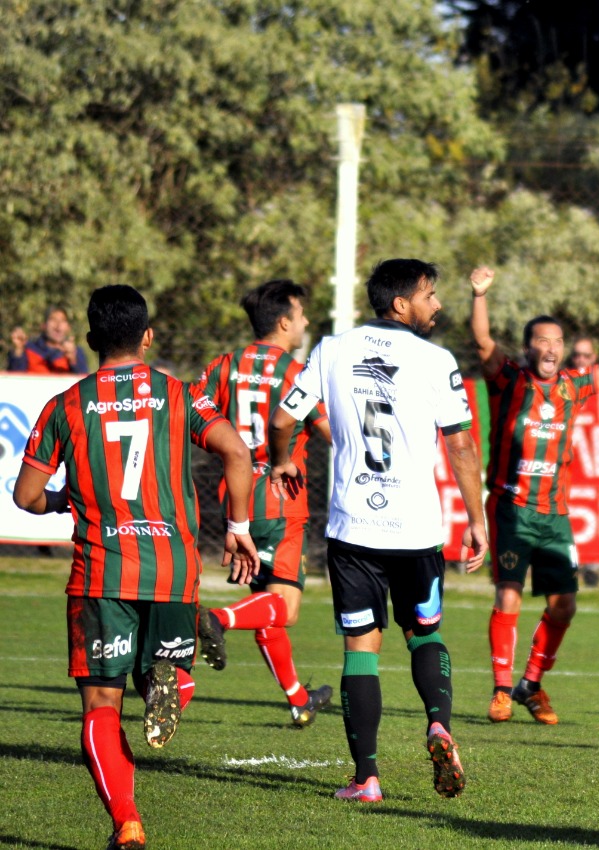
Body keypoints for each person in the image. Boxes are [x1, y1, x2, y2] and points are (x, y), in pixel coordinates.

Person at [12, 284, 258, 850]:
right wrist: (239, 528)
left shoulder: (66, 405)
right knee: (162, 677)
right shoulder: (179, 394)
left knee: (102, 705)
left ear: (91, 339)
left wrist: (64, 499)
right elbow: (237, 452)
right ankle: (173, 686)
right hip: (172, 570)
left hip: (101, 574)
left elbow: (26, 496)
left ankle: (127, 822)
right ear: (147, 337)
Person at [269, 258, 487, 803]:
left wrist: (281, 460)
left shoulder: (330, 349)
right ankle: (439, 725)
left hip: (353, 528)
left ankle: (366, 778)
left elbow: (283, 419)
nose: (437, 304)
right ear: (401, 303)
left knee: (361, 649)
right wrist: (478, 519)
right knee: (425, 634)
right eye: (430, 295)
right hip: (416, 530)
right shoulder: (437, 360)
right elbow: (461, 445)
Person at [469, 265, 599, 725]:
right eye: (542, 341)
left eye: (557, 341)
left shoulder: (573, 386)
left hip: (554, 514)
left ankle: (530, 685)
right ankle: (501, 691)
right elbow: (482, 342)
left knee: (564, 605)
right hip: (511, 508)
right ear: (528, 347)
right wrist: (480, 295)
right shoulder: (510, 381)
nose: (551, 348)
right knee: (508, 595)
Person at [191, 279, 335, 727]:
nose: (306, 323)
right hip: (281, 498)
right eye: (302, 315)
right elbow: (330, 431)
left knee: (266, 609)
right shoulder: (297, 373)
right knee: (284, 607)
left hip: (237, 501)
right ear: (284, 322)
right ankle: (217, 619)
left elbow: (190, 408)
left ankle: (298, 700)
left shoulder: (225, 365)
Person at [569, 336, 599, 588]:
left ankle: (593, 565)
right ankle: (568, 565)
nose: (581, 360)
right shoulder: (562, 383)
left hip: (597, 462)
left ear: (595, 358)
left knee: (597, 510)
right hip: (569, 462)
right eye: (577, 355)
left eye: (586, 355)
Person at [9, 305, 89, 373]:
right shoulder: (28, 349)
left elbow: (84, 382)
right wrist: (18, 350)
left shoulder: (76, 352)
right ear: (43, 326)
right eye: (53, 319)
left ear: (68, 327)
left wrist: (73, 360)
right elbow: (14, 379)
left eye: (63, 320)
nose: (58, 325)